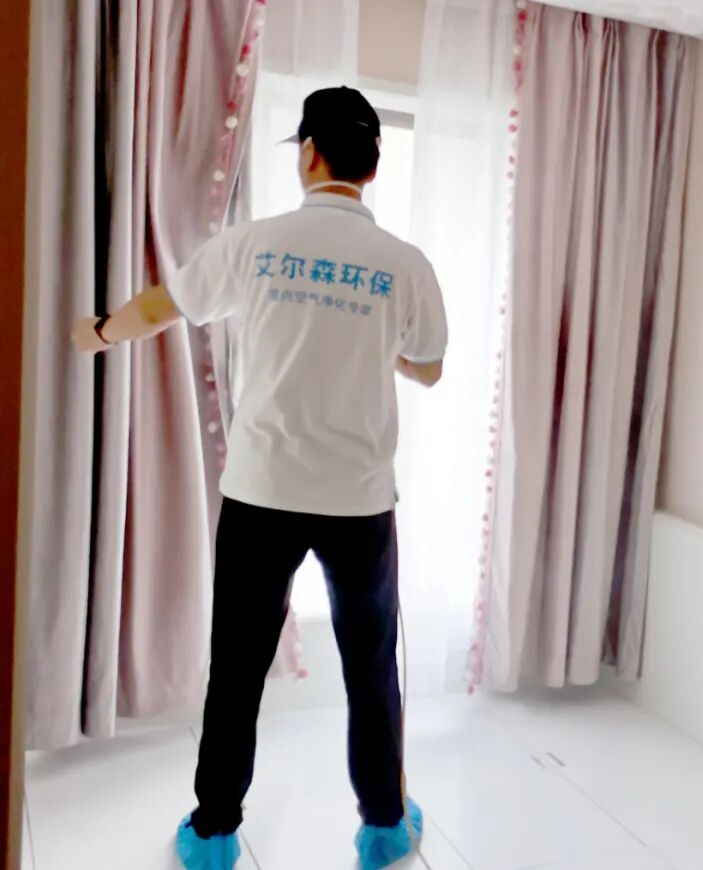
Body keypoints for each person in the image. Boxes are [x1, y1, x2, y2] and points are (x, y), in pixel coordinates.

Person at [72, 86, 447, 870]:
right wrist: (376, 346)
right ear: (373, 167)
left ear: (309, 153)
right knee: (370, 667)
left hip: (261, 494)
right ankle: (384, 826)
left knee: (238, 669)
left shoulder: (256, 244)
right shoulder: (405, 265)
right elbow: (429, 366)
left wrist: (100, 332)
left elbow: (165, 305)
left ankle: (213, 833)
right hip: (358, 502)